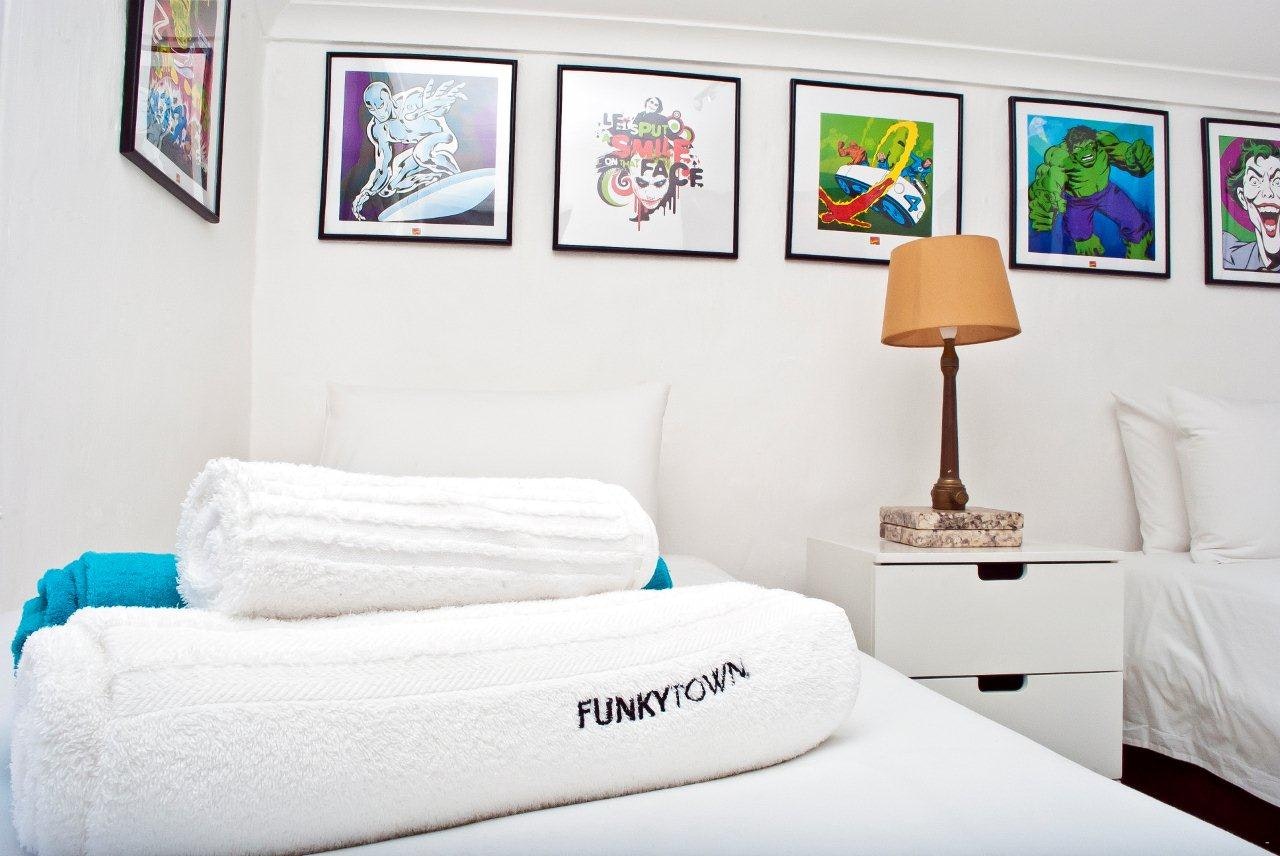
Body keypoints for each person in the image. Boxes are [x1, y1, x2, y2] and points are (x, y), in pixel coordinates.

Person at [1027, 124, 1154, 258]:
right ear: (1071, 150)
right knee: (1081, 236)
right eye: (1078, 149)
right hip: (1077, 201)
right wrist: (1045, 205)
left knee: (1134, 222)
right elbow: (1049, 178)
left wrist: (1136, 157)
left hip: (1107, 193)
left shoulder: (1103, 144)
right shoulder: (1061, 157)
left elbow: (1123, 152)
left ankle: (1137, 253)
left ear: (1095, 144)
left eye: (1089, 146)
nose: (1086, 153)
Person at [351, 79, 467, 221]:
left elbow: (439, 108)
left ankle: (456, 176)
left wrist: (432, 106)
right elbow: (383, 169)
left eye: (381, 106)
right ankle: (432, 179)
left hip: (442, 139)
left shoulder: (410, 101)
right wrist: (367, 192)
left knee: (421, 153)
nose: (379, 113)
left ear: (389, 98)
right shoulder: (379, 129)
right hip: (422, 154)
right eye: (372, 109)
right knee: (388, 189)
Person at [1222, 139, 1280, 272]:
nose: (1268, 192)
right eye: (1255, 181)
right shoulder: (1234, 258)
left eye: (1277, 182)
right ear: (1242, 197)